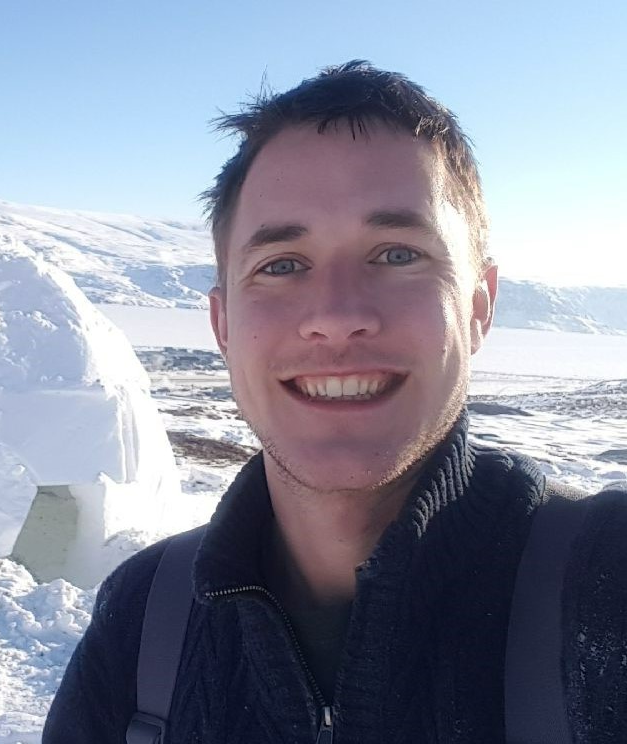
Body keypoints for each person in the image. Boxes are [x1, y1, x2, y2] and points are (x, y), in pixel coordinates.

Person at [42, 61, 627, 742]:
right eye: (281, 265)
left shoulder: (604, 585)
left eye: (397, 255)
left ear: (477, 306)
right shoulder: (145, 617)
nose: (337, 314)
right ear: (222, 325)